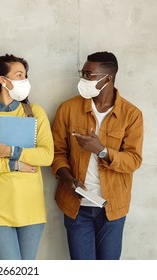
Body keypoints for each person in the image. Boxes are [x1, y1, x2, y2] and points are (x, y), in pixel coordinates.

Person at [51, 51, 143, 260]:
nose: (83, 79)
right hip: (76, 207)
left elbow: (133, 160)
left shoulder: (132, 114)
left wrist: (101, 150)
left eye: (88, 75)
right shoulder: (68, 109)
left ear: (107, 79)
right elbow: (57, 153)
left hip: (112, 209)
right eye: (82, 73)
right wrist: (67, 179)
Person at [0, 54, 54, 260]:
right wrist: (16, 165)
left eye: (25, 75)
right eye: (19, 75)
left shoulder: (35, 113)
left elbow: (47, 155)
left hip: (30, 206)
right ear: (3, 80)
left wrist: (11, 152)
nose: (25, 80)